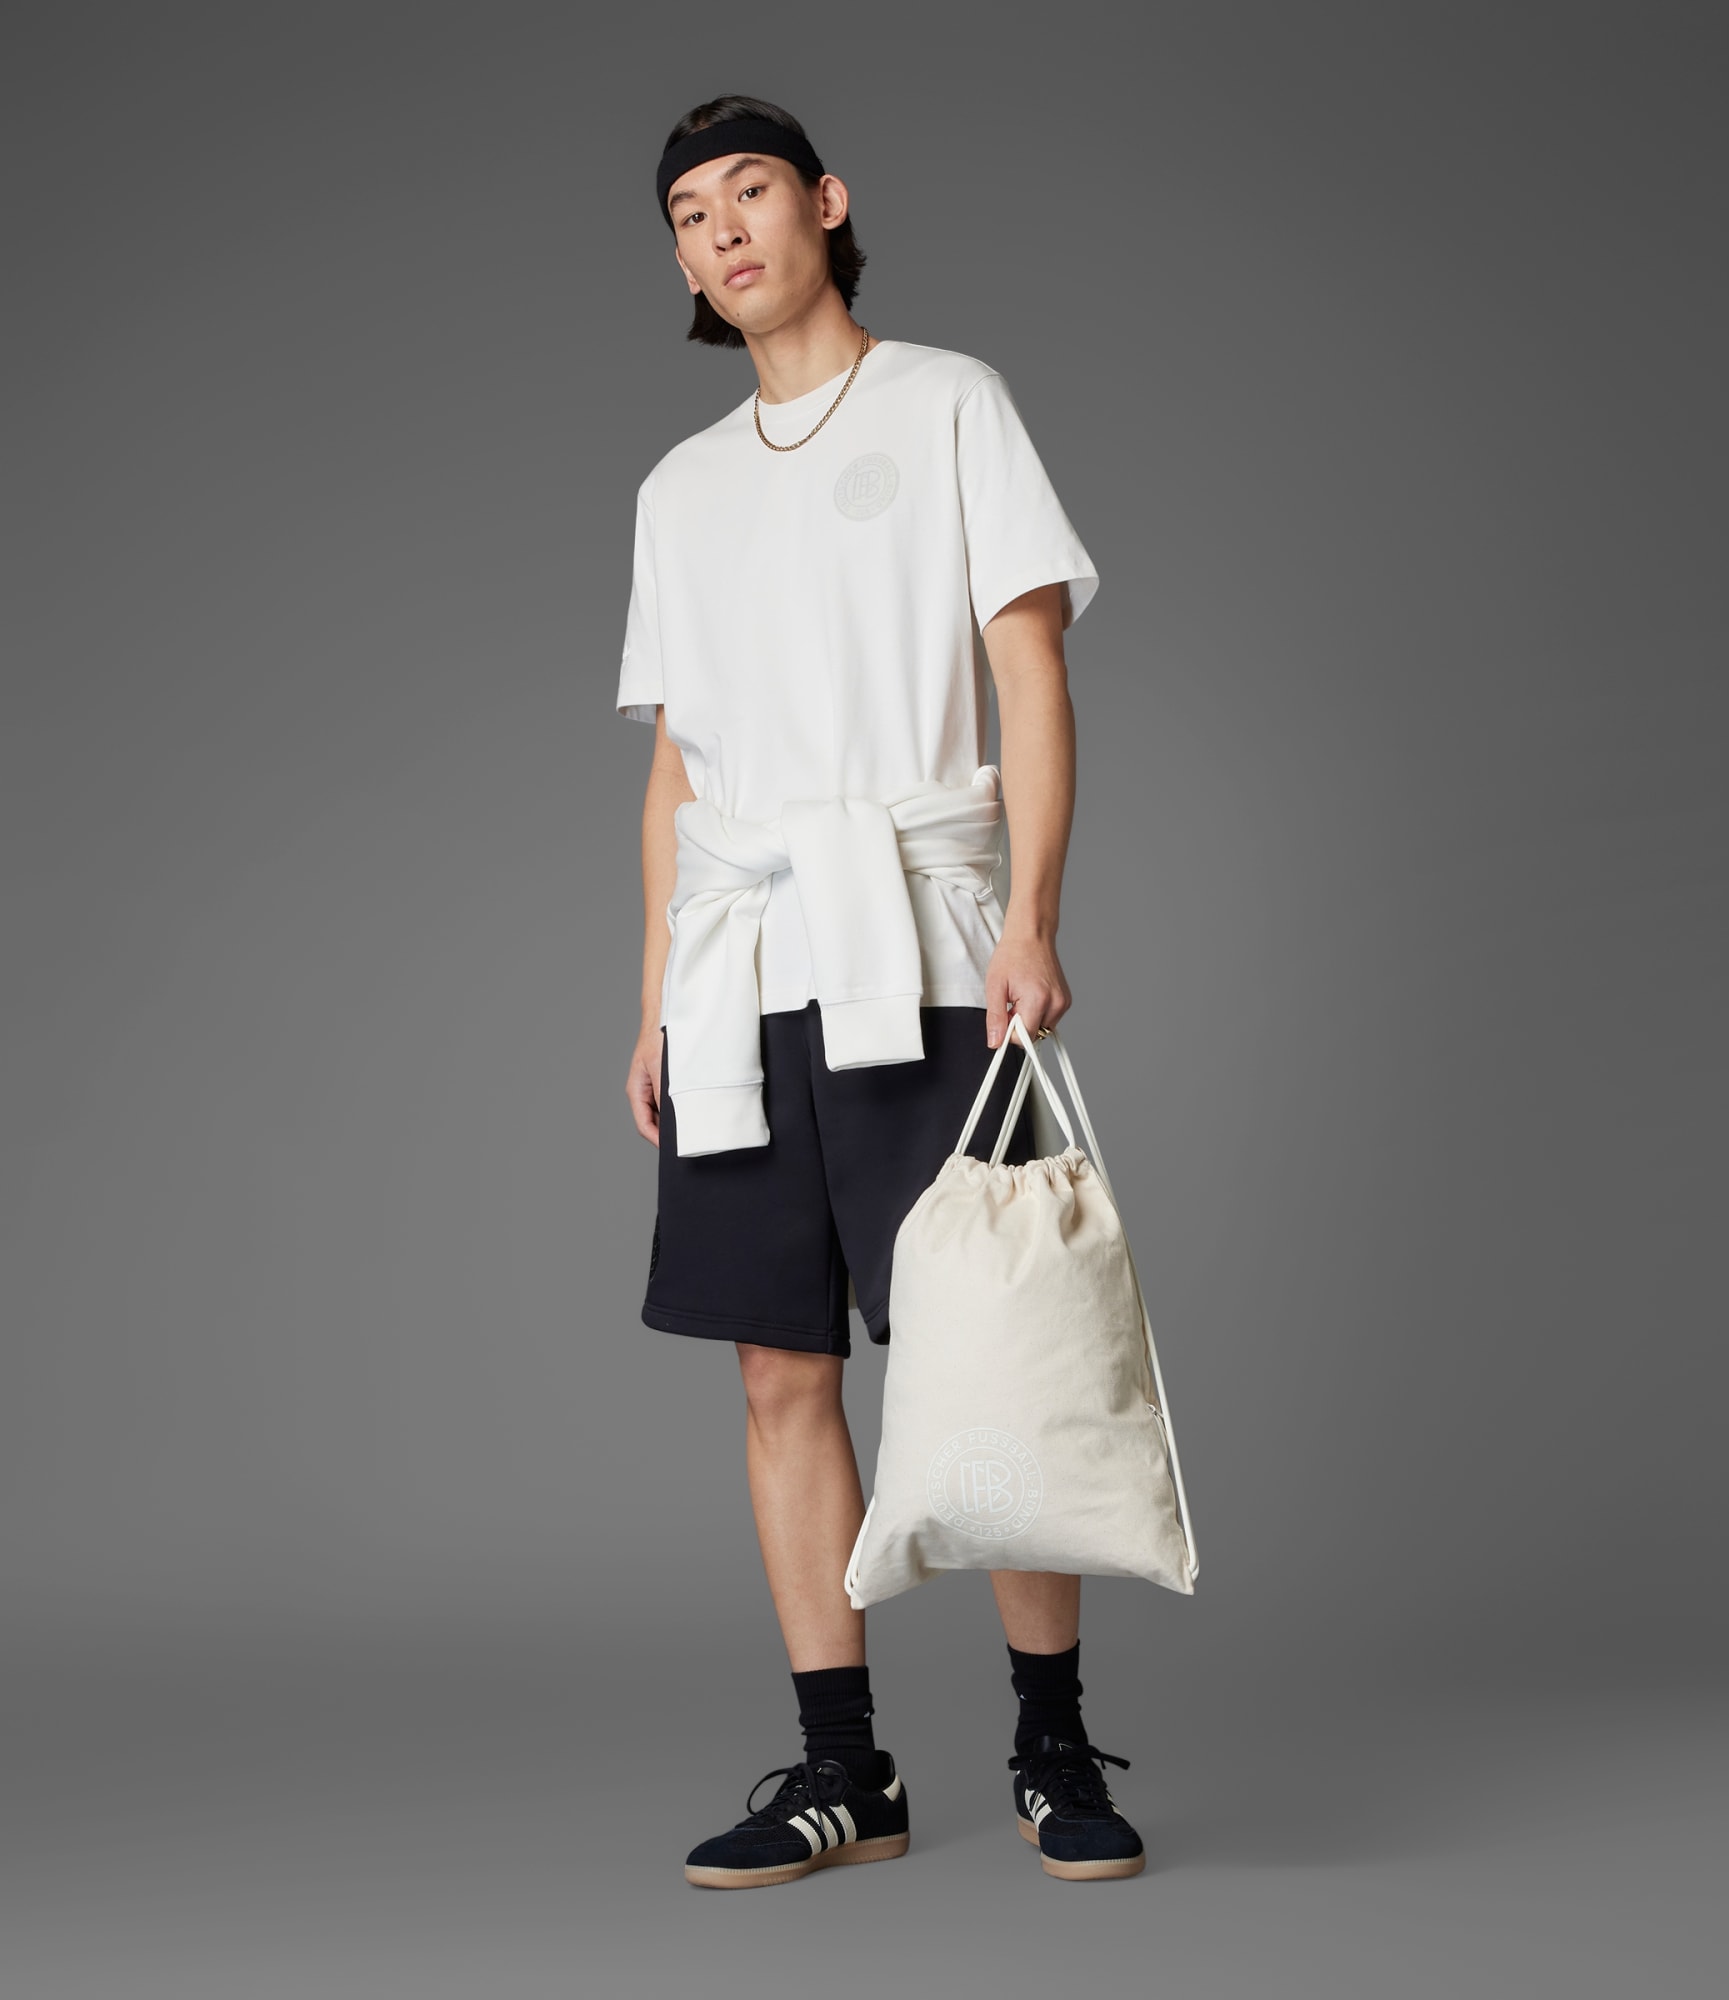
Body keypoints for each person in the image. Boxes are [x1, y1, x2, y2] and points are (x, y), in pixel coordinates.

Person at [614, 95, 1145, 1888]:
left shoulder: (947, 402)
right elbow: (677, 774)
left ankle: (1052, 1743)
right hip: (745, 969)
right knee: (780, 1371)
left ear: (824, 205)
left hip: (925, 945)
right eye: (689, 214)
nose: (722, 230)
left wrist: (1032, 919)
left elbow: (1029, 673)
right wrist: (651, 1000)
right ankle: (847, 1772)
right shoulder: (678, 489)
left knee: (988, 1350)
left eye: (749, 191)